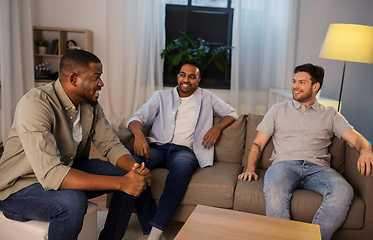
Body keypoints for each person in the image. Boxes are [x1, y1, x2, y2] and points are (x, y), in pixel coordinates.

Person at [0, 49, 152, 240]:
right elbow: (51, 174)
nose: (101, 83)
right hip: (20, 186)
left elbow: (111, 145)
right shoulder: (35, 104)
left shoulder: (90, 105)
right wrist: (123, 183)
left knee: (129, 171)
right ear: (74, 79)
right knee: (73, 202)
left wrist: (135, 169)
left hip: (64, 168)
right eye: (96, 77)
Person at [238, 63, 373, 240]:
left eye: (301, 82)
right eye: (294, 81)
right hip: (283, 166)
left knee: (344, 191)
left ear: (315, 86)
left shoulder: (331, 114)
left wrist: (365, 151)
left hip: (319, 169)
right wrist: (249, 169)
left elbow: (358, 139)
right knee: (275, 189)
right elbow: (258, 143)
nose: (295, 86)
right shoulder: (278, 110)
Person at [128, 59, 238, 240]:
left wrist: (216, 128)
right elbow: (137, 117)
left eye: (192, 77)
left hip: (185, 151)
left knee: (181, 170)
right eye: (183, 75)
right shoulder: (160, 96)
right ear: (178, 76)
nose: (186, 80)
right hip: (157, 146)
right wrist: (139, 136)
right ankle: (149, 228)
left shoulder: (206, 97)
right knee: (132, 166)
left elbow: (232, 113)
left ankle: (155, 233)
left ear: (198, 80)